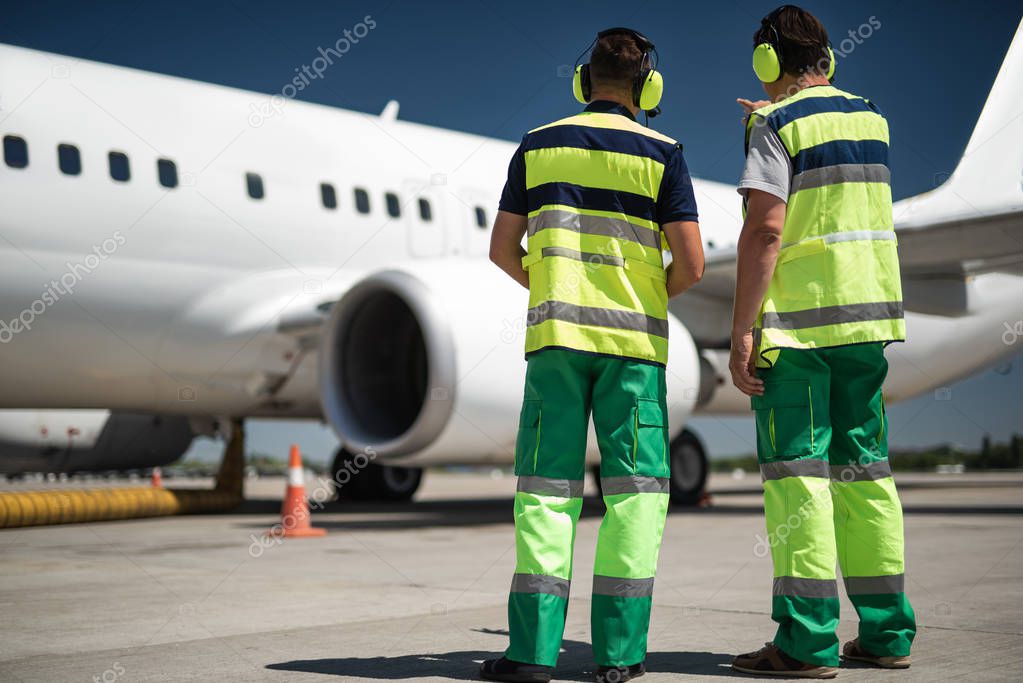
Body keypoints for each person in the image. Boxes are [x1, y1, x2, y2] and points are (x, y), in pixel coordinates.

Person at [481, 27, 704, 683]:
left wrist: (556, 290)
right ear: (646, 88)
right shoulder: (663, 154)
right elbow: (689, 262)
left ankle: (529, 654)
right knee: (634, 497)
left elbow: (500, 249)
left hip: (555, 345)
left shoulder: (536, 146)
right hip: (632, 349)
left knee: (546, 497)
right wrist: (639, 297)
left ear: (584, 82)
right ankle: (618, 657)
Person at [728, 5, 916, 678]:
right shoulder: (871, 117)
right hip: (864, 327)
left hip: (799, 331)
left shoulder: (776, 126)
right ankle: (886, 633)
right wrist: (769, 119)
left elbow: (767, 232)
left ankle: (804, 643)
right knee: (864, 475)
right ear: (826, 61)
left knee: (797, 483)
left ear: (768, 64)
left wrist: (742, 327)